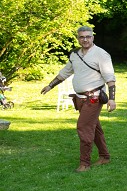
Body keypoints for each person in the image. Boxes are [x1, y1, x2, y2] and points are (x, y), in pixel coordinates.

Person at [40, 26, 116, 172]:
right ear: (78, 38)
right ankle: (104, 157)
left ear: (93, 37)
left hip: (94, 98)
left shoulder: (101, 54)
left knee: (84, 127)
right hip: (80, 98)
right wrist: (50, 85)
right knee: (94, 128)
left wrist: (112, 99)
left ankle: (84, 164)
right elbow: (65, 72)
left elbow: (110, 78)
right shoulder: (75, 54)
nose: (85, 39)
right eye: (82, 37)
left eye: (88, 36)